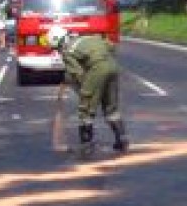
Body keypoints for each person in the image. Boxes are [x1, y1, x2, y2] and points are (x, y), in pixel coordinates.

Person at [48, 26, 128, 157]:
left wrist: (85, 91)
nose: (58, 51)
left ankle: (86, 145)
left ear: (59, 42)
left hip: (97, 69)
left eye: (57, 48)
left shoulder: (68, 51)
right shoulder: (88, 37)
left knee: (85, 109)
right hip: (113, 66)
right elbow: (111, 46)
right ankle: (122, 139)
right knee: (111, 107)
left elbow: (77, 73)